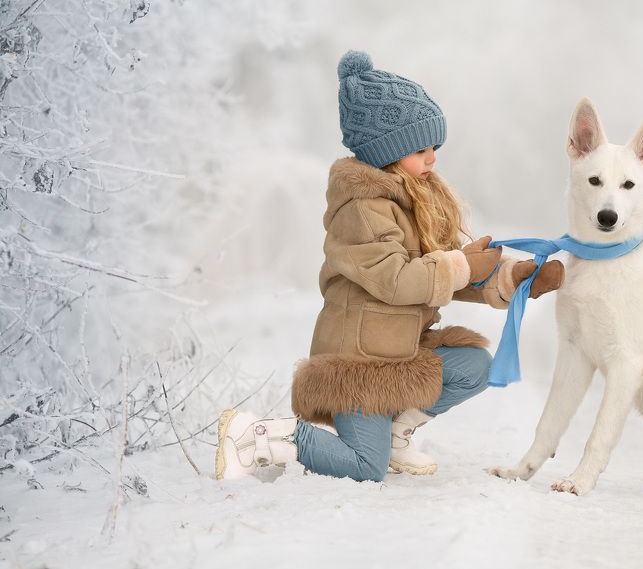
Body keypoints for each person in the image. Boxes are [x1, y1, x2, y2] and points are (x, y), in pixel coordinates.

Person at [215, 50, 563, 482]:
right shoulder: (362, 209)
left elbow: (444, 271)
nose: (432, 158)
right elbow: (397, 280)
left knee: (474, 365)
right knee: (366, 466)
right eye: (420, 149)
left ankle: (396, 434)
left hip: (400, 352)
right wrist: (462, 265)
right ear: (388, 153)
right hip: (358, 365)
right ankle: (259, 437)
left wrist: (511, 277)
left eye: (434, 147)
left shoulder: (414, 200)